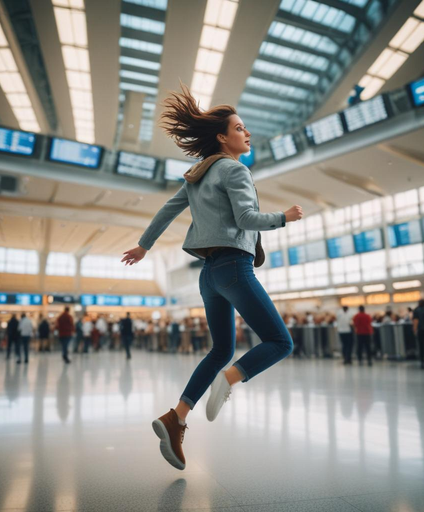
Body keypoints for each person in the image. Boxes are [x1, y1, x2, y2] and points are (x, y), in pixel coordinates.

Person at [121, 84, 303, 471]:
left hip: (209, 274)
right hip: (234, 268)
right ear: (222, 137)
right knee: (280, 341)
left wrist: (143, 247)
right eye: (239, 128)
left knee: (220, 347)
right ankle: (231, 378)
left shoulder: (197, 174)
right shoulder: (234, 169)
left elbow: (166, 213)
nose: (246, 133)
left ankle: (177, 417)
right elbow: (247, 220)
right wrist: (283, 218)